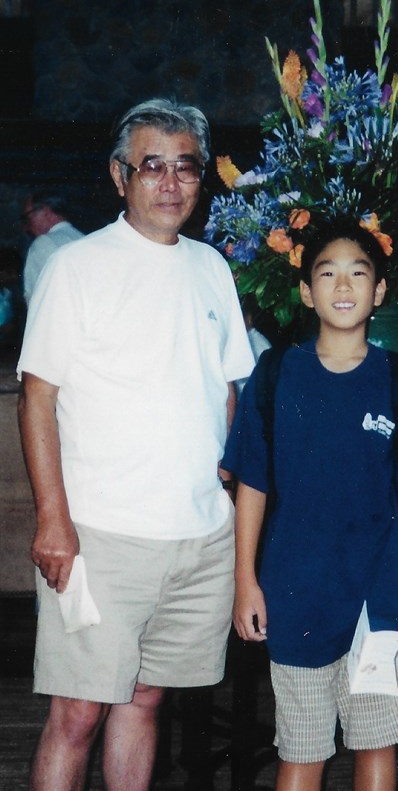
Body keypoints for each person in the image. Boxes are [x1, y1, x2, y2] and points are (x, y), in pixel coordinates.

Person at [17, 98, 254, 791]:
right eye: (153, 166)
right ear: (120, 176)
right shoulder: (79, 266)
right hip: (101, 535)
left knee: (146, 700)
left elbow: (227, 384)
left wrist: (224, 476)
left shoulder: (212, 266)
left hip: (199, 537)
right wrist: (53, 519)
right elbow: (38, 397)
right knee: (78, 712)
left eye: (186, 167)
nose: (172, 182)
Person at [224, 218, 398, 791]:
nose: (343, 286)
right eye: (328, 273)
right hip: (298, 593)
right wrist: (246, 580)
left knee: (376, 747)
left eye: (358, 273)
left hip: (381, 598)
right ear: (305, 290)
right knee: (302, 749)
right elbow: (252, 486)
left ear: (381, 291)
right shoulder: (274, 376)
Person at [21, 190, 83, 304]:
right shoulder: (83, 238)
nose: (28, 225)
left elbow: (36, 300)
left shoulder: (42, 243)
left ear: (46, 212)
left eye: (28, 217)